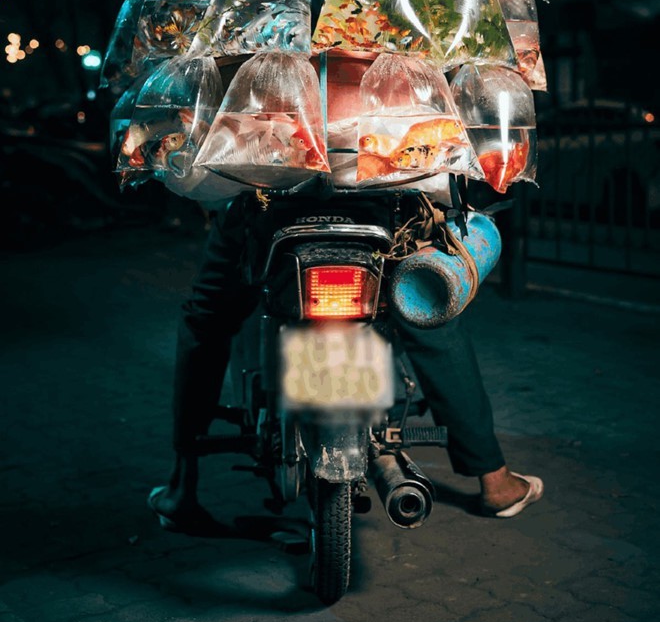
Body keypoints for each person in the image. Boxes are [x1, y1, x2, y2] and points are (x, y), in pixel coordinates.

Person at [148, 187, 543, 533]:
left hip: (270, 208)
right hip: (382, 208)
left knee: (206, 319)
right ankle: (494, 479)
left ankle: (182, 484)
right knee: (429, 313)